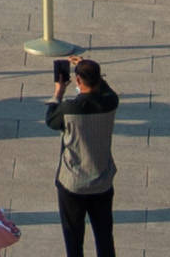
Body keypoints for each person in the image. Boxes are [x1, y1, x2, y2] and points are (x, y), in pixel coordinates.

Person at [41, 59, 116, 257]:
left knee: (73, 239)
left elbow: (51, 120)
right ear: (99, 79)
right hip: (102, 180)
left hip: (72, 183)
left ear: (78, 80)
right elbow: (108, 92)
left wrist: (58, 91)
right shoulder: (110, 102)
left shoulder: (69, 108)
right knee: (104, 237)